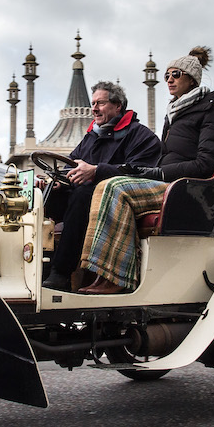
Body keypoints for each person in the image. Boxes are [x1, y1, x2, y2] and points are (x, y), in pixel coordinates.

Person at [75, 46, 214, 294]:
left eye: (176, 74)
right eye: (166, 75)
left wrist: (159, 173)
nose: (169, 80)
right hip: (168, 183)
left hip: (190, 189)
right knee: (107, 184)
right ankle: (99, 273)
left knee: (114, 187)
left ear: (192, 78)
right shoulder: (175, 114)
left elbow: (205, 165)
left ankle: (118, 278)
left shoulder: (212, 115)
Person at [40, 81, 161, 291]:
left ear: (118, 106)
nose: (94, 108)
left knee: (84, 195)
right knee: (44, 199)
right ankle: (38, 268)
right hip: (85, 196)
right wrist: (57, 182)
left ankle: (60, 274)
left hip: (114, 199)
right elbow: (71, 167)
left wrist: (97, 171)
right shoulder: (91, 136)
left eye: (100, 103)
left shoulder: (141, 136)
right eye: (93, 103)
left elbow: (139, 172)